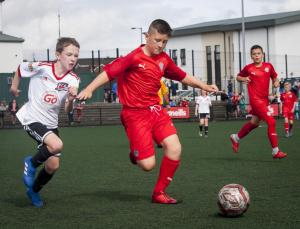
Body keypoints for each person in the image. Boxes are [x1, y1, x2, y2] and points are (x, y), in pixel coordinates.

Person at [77, 19, 218, 204]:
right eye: (157, 40)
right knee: (148, 165)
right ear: (147, 36)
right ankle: (135, 153)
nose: (160, 45)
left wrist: (204, 85)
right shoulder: (133, 57)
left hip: (155, 110)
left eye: (164, 42)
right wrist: (89, 89)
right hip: (134, 114)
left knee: (175, 148)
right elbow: (109, 73)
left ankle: (159, 193)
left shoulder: (164, 60)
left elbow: (183, 76)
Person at [10, 37, 80, 207]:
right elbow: (20, 68)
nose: (73, 58)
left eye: (76, 55)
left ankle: (33, 191)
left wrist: (71, 99)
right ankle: (31, 163)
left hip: (51, 124)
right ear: (58, 55)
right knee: (56, 144)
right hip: (32, 118)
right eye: (69, 54)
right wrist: (13, 86)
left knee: (52, 166)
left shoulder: (74, 80)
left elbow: (67, 111)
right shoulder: (42, 68)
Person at [230, 45, 287, 159]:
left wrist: (277, 82)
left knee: (255, 123)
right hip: (255, 100)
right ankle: (275, 151)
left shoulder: (268, 66)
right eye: (254, 54)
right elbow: (238, 77)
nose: (256, 55)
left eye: (258, 53)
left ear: (262, 54)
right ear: (251, 56)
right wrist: (244, 79)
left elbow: (275, 78)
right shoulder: (248, 68)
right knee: (271, 122)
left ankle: (236, 138)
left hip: (264, 100)